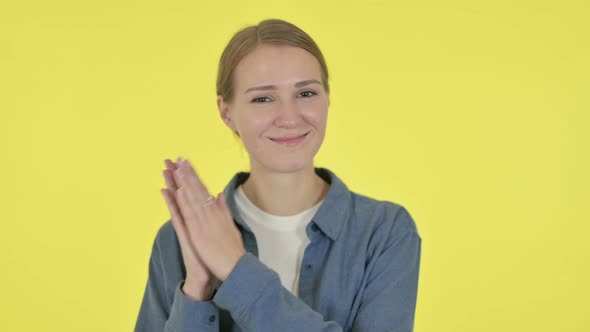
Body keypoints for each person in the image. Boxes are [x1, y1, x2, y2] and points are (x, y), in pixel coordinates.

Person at [134, 18, 422, 332]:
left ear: (327, 98)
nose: (289, 117)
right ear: (226, 112)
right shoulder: (178, 240)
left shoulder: (384, 232)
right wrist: (195, 292)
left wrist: (235, 269)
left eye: (306, 93)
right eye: (263, 98)